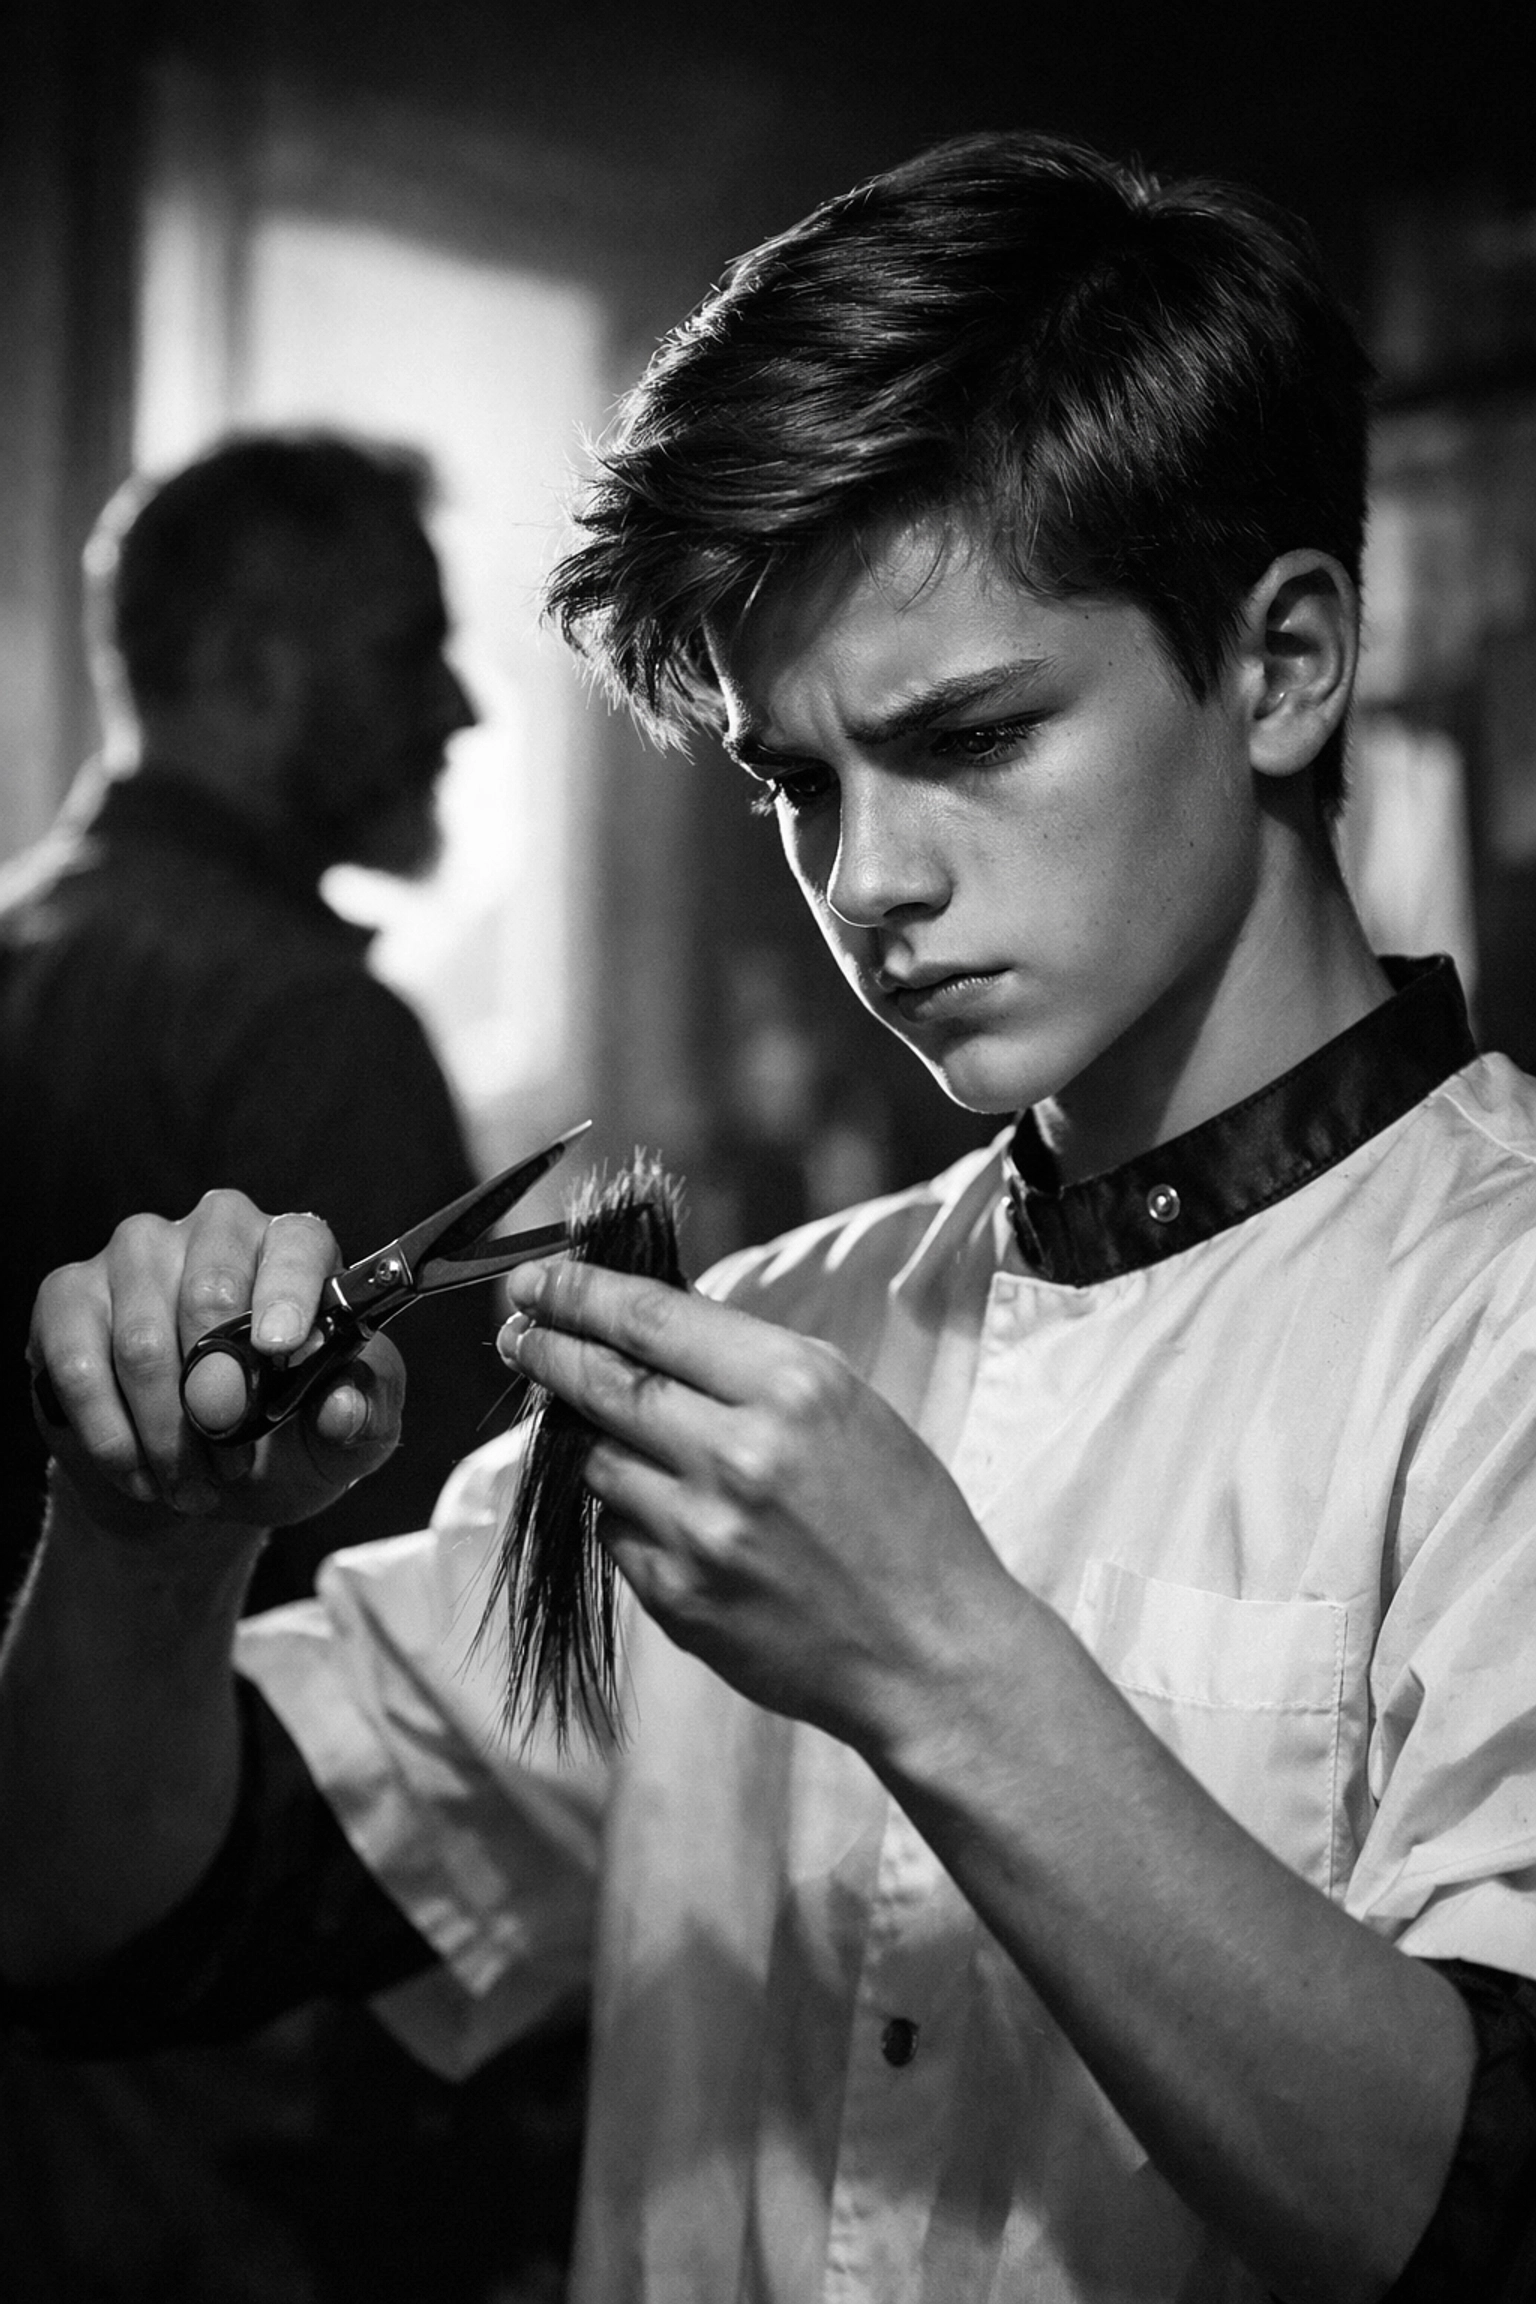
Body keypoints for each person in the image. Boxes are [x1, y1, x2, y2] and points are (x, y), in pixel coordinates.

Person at [4, 132, 1536, 2302]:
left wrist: (935, 1653)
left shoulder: (1502, 1321)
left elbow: (1486, 2208)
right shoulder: (771, 1339)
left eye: (970, 737)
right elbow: (94, 1918)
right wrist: (147, 1550)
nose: (869, 883)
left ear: (1284, 665)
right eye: (797, 783)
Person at [0, 429, 507, 1618]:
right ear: (247, 670)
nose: (460, 707)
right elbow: (431, 1555)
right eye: (409, 651)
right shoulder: (315, 1027)